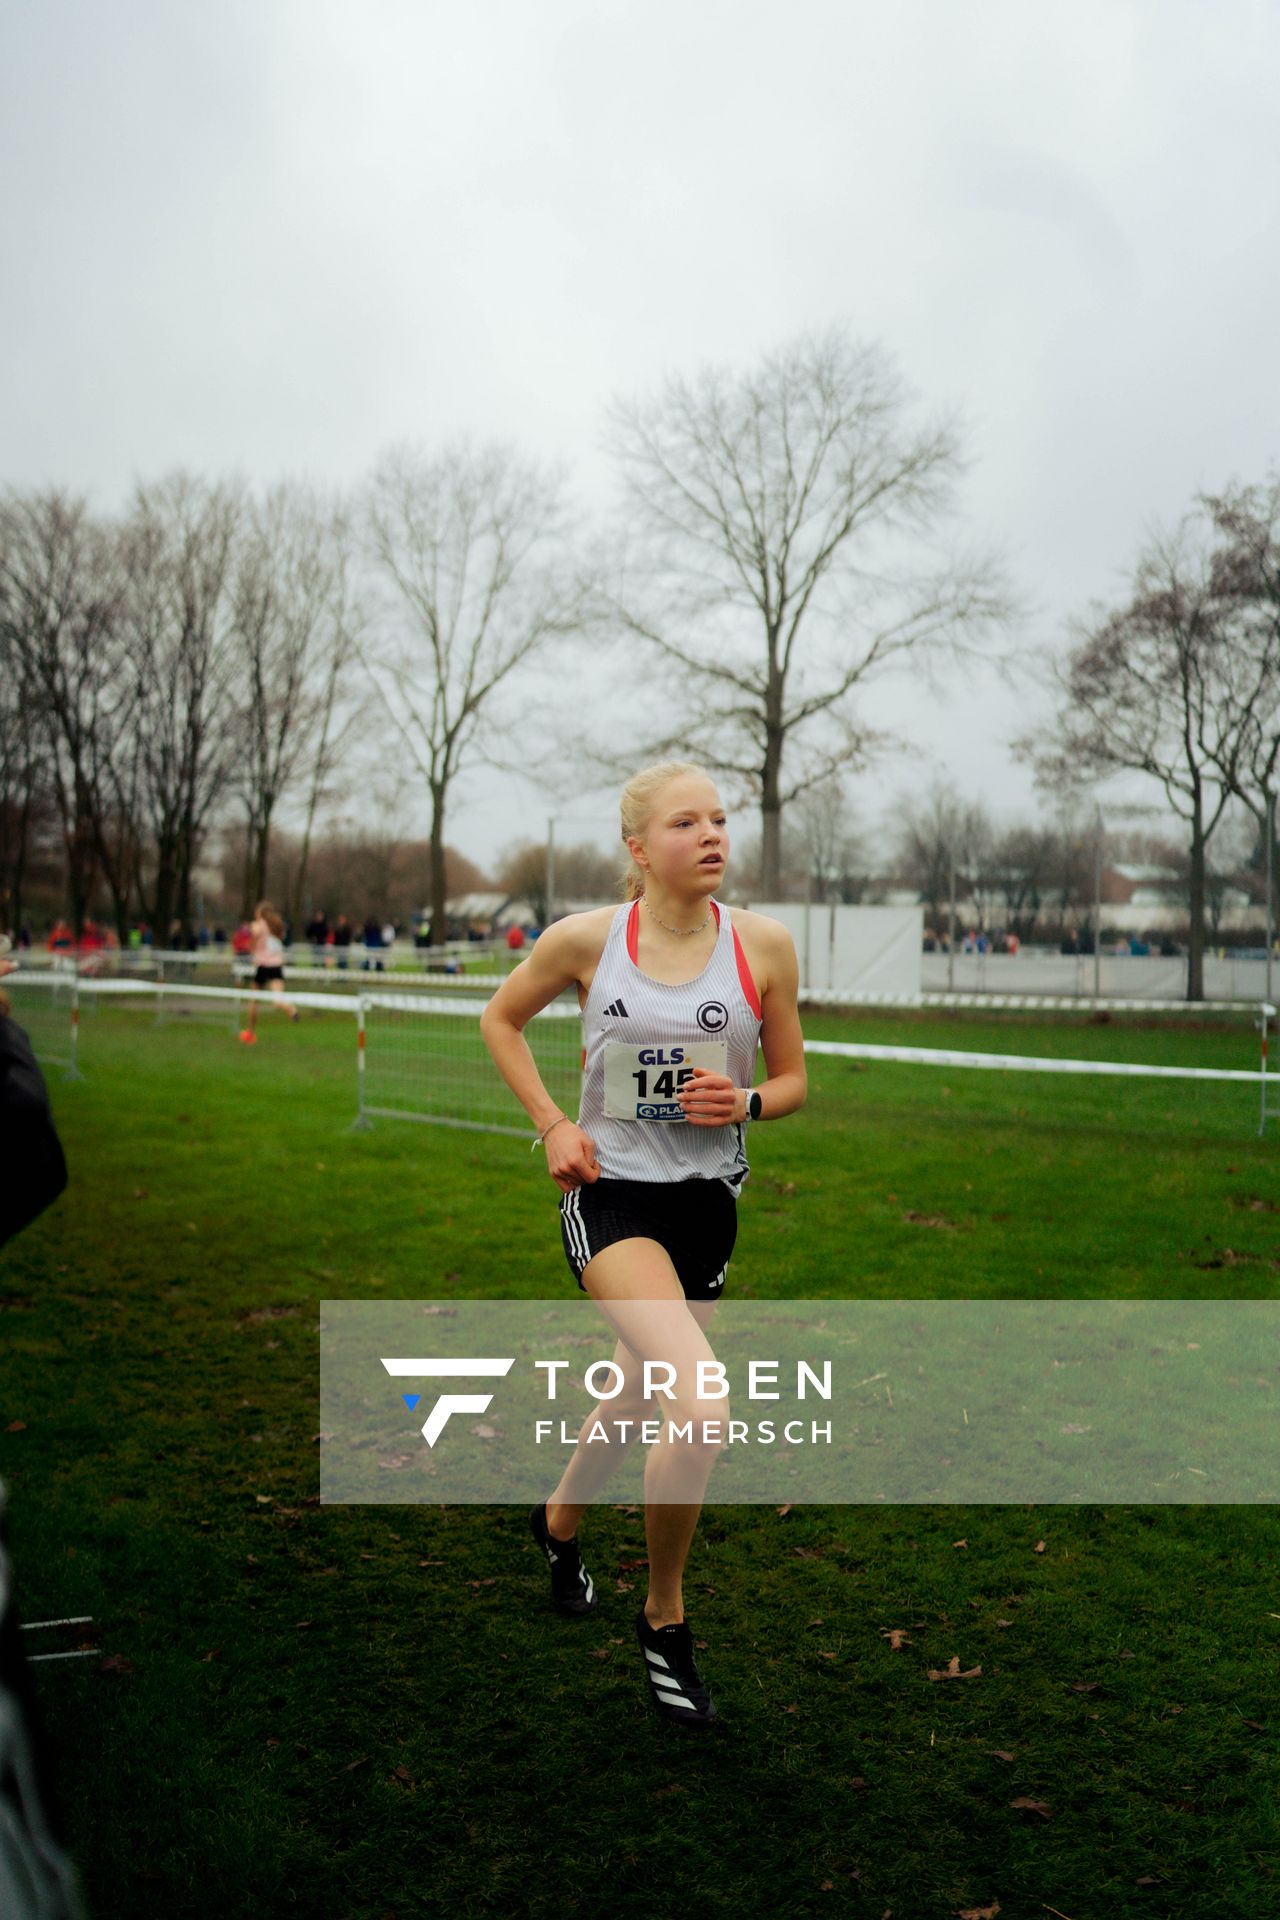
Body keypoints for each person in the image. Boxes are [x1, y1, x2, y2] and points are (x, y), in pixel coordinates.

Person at [480, 761, 807, 1730]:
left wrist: (746, 1101)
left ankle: (556, 1524)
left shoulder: (763, 945)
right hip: (611, 1199)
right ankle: (664, 1617)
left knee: (633, 1394)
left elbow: (794, 1080)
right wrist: (552, 1124)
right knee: (698, 1405)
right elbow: (500, 1019)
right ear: (637, 847)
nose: (711, 836)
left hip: (704, 1208)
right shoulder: (586, 940)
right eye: (684, 823)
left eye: (719, 820)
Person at [240, 901, 299, 1043]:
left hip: (263, 966)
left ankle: (250, 1032)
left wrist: (251, 945)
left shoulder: (258, 924)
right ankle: (291, 1009)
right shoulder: (277, 925)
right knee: (277, 1000)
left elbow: (254, 936)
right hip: (277, 966)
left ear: (259, 913)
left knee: (254, 1001)